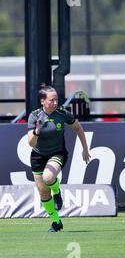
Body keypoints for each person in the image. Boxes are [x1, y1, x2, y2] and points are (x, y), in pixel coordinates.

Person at [27, 83, 91, 232]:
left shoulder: (62, 114)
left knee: (48, 178)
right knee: (43, 191)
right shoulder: (34, 116)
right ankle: (56, 222)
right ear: (43, 101)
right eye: (52, 100)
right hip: (37, 156)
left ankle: (56, 191)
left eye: (56, 100)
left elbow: (78, 128)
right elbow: (31, 143)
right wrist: (36, 131)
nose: (55, 103)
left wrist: (85, 149)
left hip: (57, 153)